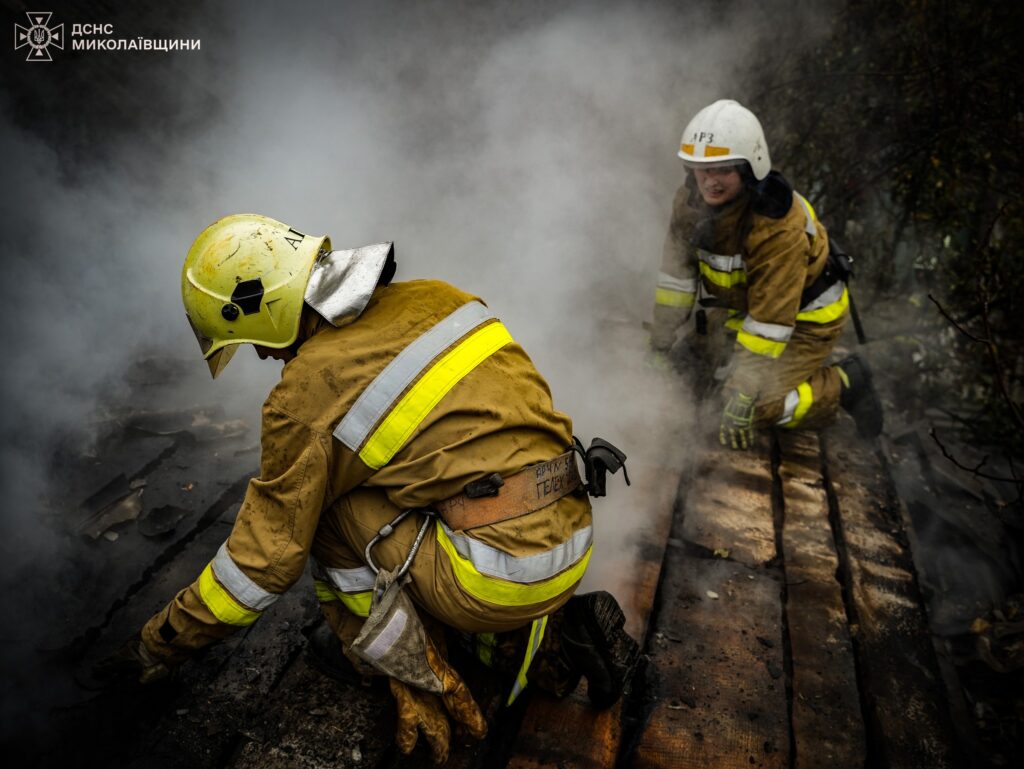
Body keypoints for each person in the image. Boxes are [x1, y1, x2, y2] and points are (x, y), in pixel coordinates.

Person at [113, 214, 637, 764]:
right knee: (394, 485)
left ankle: (397, 660)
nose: (263, 357)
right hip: (570, 530)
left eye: (250, 341)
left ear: (264, 314)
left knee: (321, 514)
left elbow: (261, 564)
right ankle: (549, 640)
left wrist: (160, 642)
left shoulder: (307, 392)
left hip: (494, 578)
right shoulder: (437, 297)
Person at [651, 99, 883, 448]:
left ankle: (845, 384)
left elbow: (769, 322)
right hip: (741, 310)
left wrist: (743, 395)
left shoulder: (778, 225)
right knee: (688, 380)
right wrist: (661, 344)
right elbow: (675, 281)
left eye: (724, 169)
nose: (710, 182)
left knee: (743, 408)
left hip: (804, 322)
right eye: (702, 169)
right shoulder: (688, 204)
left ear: (749, 169)